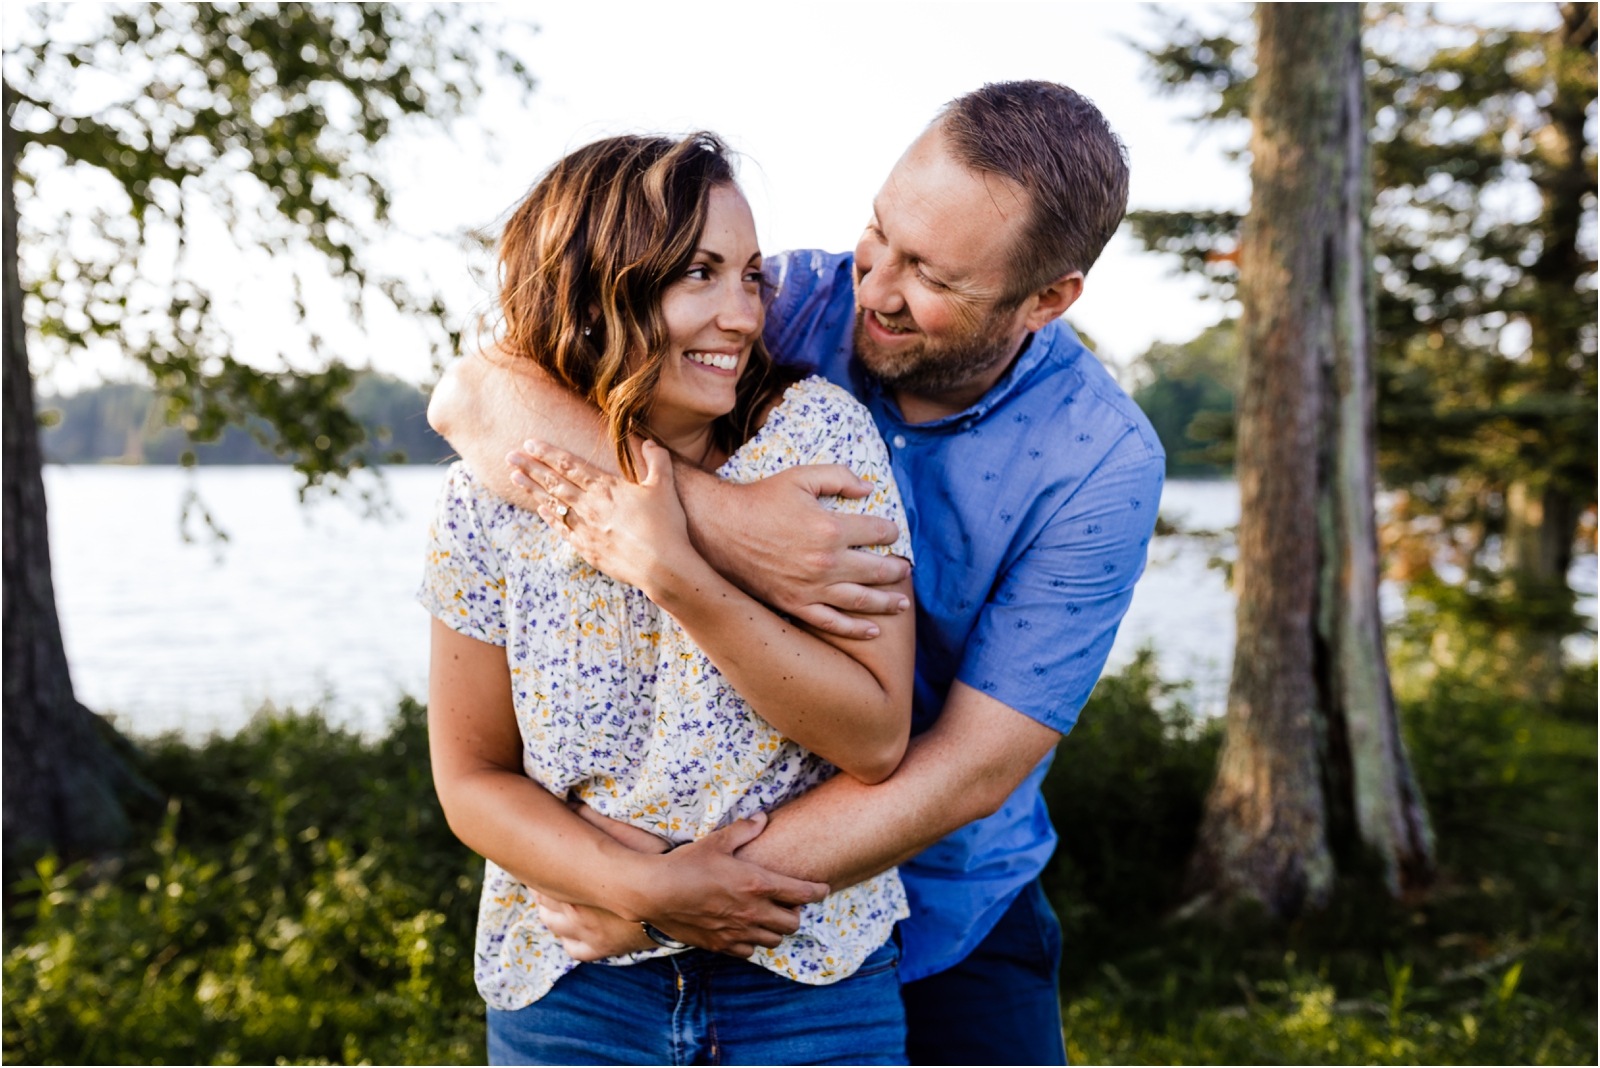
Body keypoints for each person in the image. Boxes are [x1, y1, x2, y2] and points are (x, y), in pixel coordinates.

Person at [432, 81, 1166, 1066]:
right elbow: (483, 391)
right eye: (881, 235)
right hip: (606, 954)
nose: (876, 289)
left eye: (932, 280)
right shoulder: (782, 307)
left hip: (942, 900)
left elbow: (969, 766)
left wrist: (661, 904)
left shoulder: (1100, 461)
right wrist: (728, 526)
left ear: (1046, 299)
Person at [420, 132, 921, 1066]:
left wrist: (681, 575)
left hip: (806, 983)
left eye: (752, 277)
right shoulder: (492, 491)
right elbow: (471, 778)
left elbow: (875, 735)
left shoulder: (819, 443)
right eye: (700, 274)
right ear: (594, 282)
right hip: (570, 988)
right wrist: (645, 890)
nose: (740, 315)